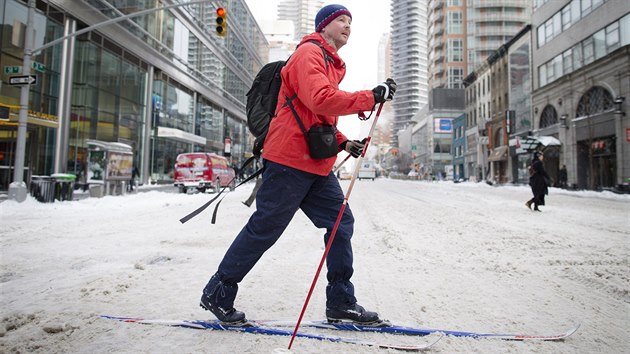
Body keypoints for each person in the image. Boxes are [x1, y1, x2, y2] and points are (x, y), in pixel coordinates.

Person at [199, 4, 396, 324]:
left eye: (351, 21)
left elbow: (317, 116)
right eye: (342, 20)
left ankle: (341, 302)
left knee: (340, 223)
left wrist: (344, 142)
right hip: (288, 162)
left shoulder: (330, 62)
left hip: (316, 166)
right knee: (265, 229)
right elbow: (320, 99)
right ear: (324, 26)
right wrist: (369, 97)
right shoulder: (308, 54)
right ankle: (218, 291)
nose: (348, 26)